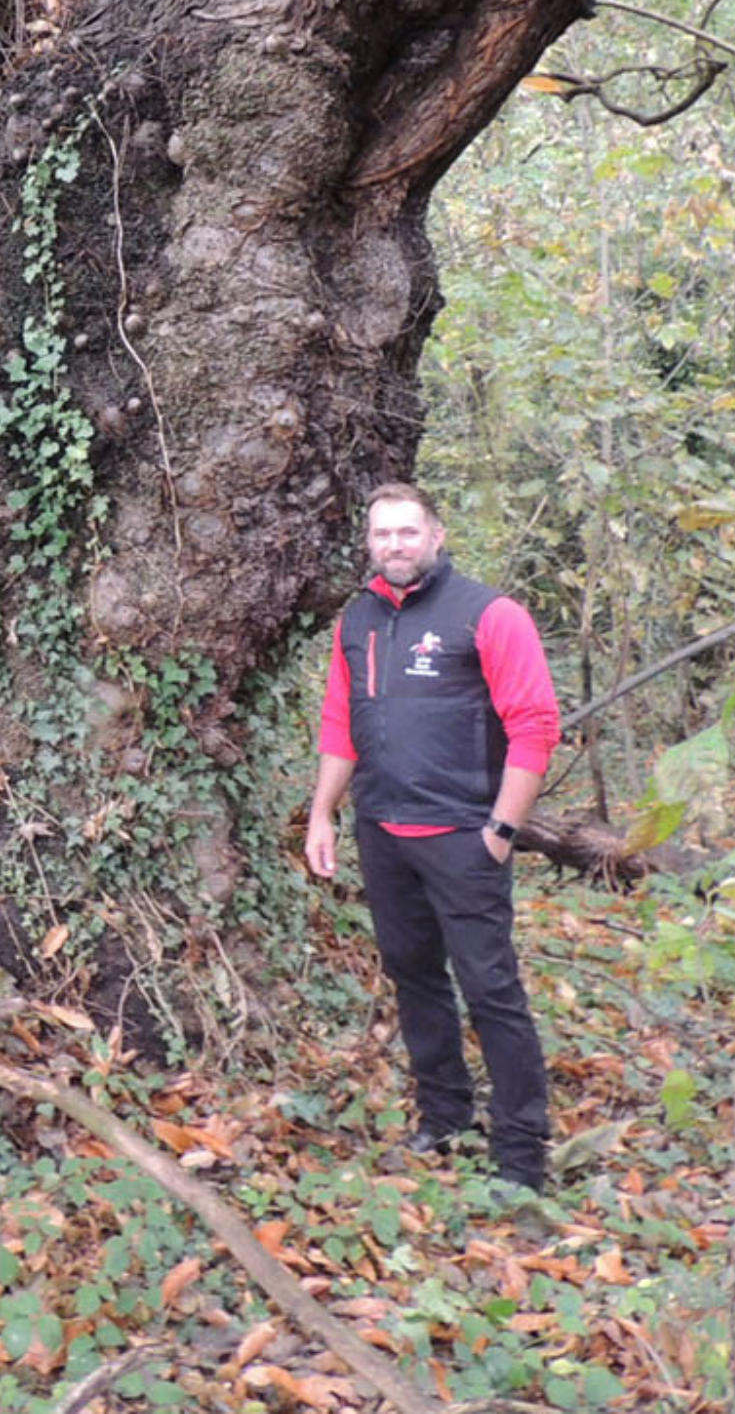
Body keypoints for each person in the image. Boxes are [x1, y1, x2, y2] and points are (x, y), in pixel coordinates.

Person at [304, 483, 560, 1190]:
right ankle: (444, 1117)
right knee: (414, 977)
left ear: (437, 536)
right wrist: (323, 812)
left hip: (463, 836)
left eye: (407, 532)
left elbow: (535, 725)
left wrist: (501, 830)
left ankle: (521, 1153)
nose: (394, 544)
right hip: (382, 831)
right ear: (368, 542)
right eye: (382, 533)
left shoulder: (489, 614)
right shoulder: (357, 620)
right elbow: (338, 723)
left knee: (490, 989)